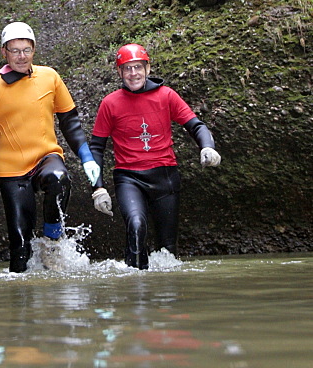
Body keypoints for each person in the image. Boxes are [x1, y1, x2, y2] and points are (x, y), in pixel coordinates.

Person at [0, 22, 100, 272]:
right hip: (11, 169)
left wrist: (87, 157)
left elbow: (70, 122)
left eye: (26, 50)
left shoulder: (49, 76)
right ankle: (22, 300)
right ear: (3, 52)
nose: (21, 56)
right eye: (14, 50)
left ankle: (52, 241)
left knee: (59, 179)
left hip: (45, 157)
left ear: (34, 50)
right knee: (20, 250)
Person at [89, 43, 221, 268]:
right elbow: (96, 148)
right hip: (129, 178)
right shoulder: (110, 103)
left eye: (138, 67)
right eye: (127, 68)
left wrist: (207, 147)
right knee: (137, 226)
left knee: (167, 249)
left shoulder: (166, 95)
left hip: (165, 176)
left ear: (147, 69)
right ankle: (136, 291)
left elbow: (195, 125)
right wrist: (98, 188)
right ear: (119, 72)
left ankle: (163, 298)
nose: (133, 74)